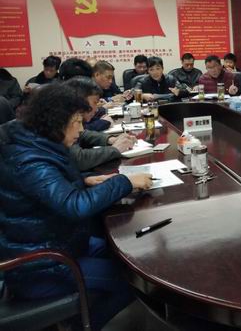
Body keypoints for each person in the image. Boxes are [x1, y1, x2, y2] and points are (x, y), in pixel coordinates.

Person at [0, 83, 152, 331]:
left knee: (126, 253)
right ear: (56, 122)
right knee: (133, 281)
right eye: (77, 122)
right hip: (40, 266)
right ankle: (80, 326)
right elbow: (75, 206)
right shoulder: (29, 159)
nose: (81, 130)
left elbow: (43, 188)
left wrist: (84, 180)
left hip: (59, 242)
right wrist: (125, 182)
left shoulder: (33, 141)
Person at [64, 77, 136, 170]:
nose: (97, 109)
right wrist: (115, 149)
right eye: (95, 103)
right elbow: (79, 159)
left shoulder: (72, 116)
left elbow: (83, 134)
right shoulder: (62, 120)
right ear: (80, 100)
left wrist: (110, 139)